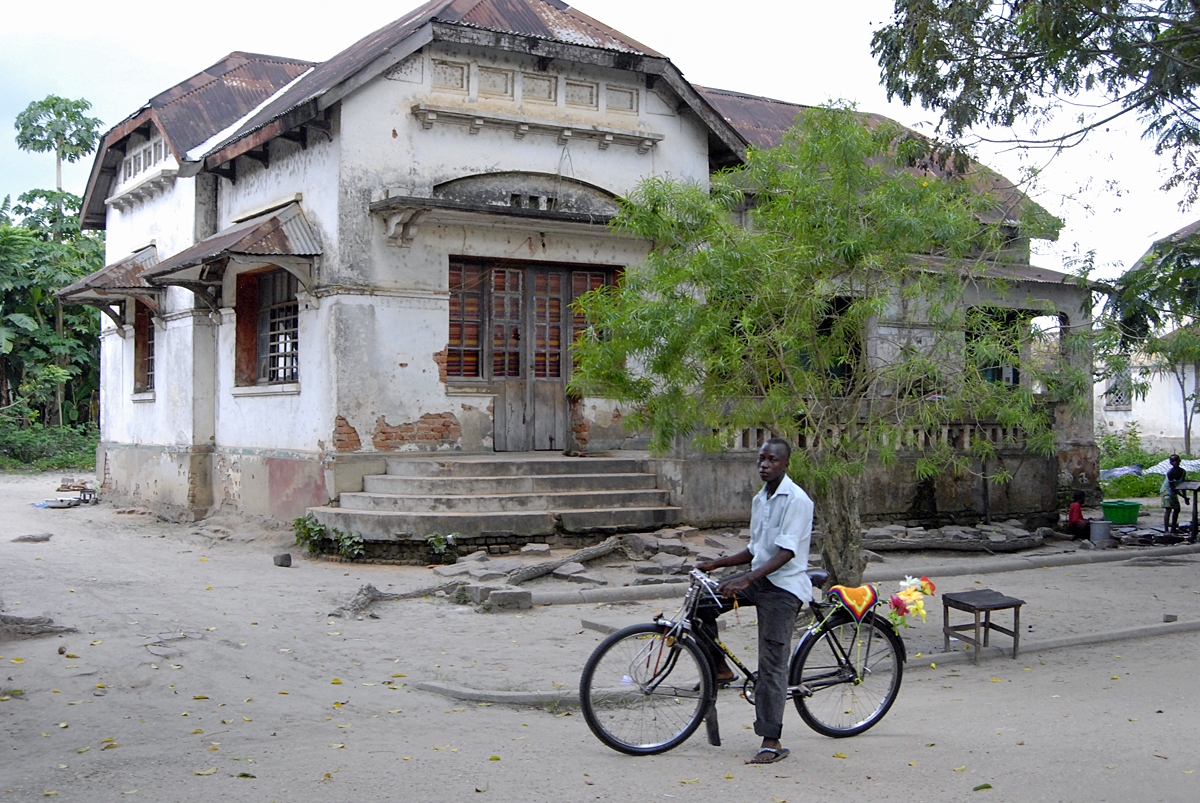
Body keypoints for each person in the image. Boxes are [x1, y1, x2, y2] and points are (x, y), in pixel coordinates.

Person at [695, 438, 813, 766]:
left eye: (772, 460)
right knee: (703, 603)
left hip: (783, 588)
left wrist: (747, 578)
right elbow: (755, 549)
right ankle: (719, 669)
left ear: (785, 464)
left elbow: (786, 552)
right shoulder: (761, 499)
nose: (764, 465)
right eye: (761, 459)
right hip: (759, 579)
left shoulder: (797, 500)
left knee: (772, 661)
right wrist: (718, 565)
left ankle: (771, 740)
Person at [1162, 454, 1190, 534]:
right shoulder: (1170, 472)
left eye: (1176, 460)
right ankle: (1166, 530)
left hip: (1175, 490)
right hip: (1167, 490)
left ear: (1180, 461)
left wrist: (1185, 497)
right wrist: (1184, 497)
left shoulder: (1183, 471)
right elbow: (1172, 488)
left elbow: (1182, 485)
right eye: (1173, 461)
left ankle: (1173, 528)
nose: (1175, 463)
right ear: (1170, 463)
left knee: (1177, 509)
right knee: (1168, 509)